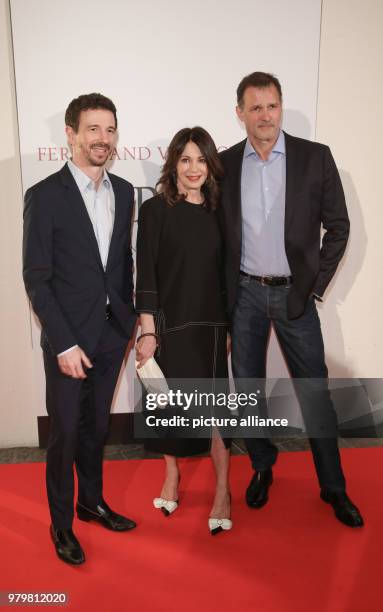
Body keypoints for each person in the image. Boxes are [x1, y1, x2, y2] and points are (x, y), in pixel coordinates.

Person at [219, 72, 363, 527]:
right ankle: (262, 466)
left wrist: (312, 286)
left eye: (272, 106)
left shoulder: (314, 158)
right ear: (240, 113)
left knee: (315, 393)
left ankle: (334, 487)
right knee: (247, 390)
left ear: (281, 108)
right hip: (243, 295)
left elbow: (338, 227)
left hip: (294, 297)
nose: (265, 116)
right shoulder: (223, 165)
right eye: (255, 107)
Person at [23, 93, 138, 565]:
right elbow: (37, 277)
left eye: (109, 130)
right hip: (69, 340)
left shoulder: (126, 191)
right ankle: (62, 525)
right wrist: (64, 342)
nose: (102, 139)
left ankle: (92, 503)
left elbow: (119, 264)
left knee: (96, 430)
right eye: (92, 129)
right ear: (70, 134)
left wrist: (131, 321)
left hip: (113, 334)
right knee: (66, 433)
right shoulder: (45, 196)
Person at [135, 127, 232, 534]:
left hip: (211, 327)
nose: (194, 168)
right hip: (170, 327)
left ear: (210, 165)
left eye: (201, 159)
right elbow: (147, 274)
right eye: (186, 159)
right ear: (174, 162)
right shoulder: (156, 210)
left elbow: (227, 274)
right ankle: (172, 474)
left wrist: (230, 328)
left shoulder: (220, 210)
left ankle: (224, 489)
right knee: (167, 408)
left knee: (212, 412)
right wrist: (148, 331)